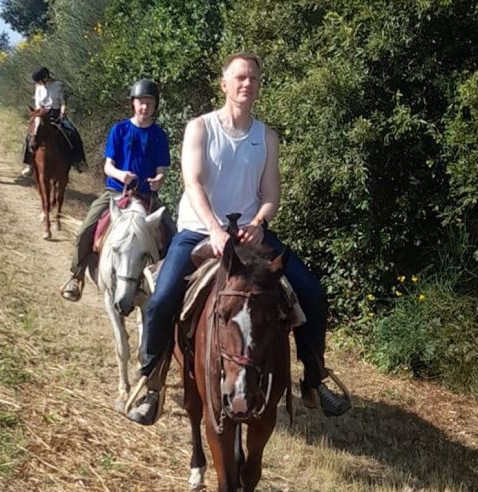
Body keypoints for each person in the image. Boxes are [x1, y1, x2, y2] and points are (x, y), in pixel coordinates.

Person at [127, 52, 351, 425]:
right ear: (224, 84)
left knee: (312, 294)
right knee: (163, 298)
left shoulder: (267, 137)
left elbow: (271, 194)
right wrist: (214, 228)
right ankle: (152, 382)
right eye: (240, 77)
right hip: (200, 231)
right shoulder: (200, 127)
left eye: (254, 79)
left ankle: (313, 381)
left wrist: (261, 222)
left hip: (251, 236)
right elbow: (193, 182)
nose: (248, 83)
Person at [60, 78, 174, 302]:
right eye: (141, 102)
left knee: (173, 233)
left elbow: (162, 170)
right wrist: (121, 175)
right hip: (115, 193)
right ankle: (76, 275)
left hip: (147, 197)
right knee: (87, 227)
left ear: (155, 106)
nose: (145, 107)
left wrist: (158, 180)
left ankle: (168, 287)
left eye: (150, 103)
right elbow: (108, 166)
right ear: (133, 103)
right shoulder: (119, 130)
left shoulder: (159, 135)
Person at [21, 67, 87, 177]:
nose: (38, 83)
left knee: (72, 132)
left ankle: (79, 161)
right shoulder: (38, 88)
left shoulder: (58, 85)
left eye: (39, 80)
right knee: (30, 135)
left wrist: (62, 112)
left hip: (56, 114)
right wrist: (39, 115)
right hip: (42, 114)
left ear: (45, 77)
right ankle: (29, 164)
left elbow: (62, 102)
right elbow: (38, 104)